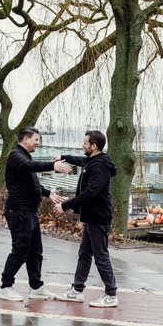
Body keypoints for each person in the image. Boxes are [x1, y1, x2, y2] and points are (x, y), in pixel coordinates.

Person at [0, 127, 71, 302]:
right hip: (18, 211)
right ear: (25, 139)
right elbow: (31, 167)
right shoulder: (16, 156)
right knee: (21, 249)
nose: (38, 143)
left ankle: (36, 287)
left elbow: (31, 182)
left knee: (35, 251)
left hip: (29, 211)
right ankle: (5, 287)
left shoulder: (24, 157)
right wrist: (53, 166)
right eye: (36, 140)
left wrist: (48, 193)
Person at [53, 130, 118, 308]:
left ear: (94, 146)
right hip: (91, 217)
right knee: (84, 254)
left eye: (85, 142)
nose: (83, 145)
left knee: (101, 256)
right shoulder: (92, 161)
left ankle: (111, 295)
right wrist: (63, 156)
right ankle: (77, 290)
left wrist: (65, 205)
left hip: (99, 217)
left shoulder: (99, 166)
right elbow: (80, 160)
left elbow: (90, 193)